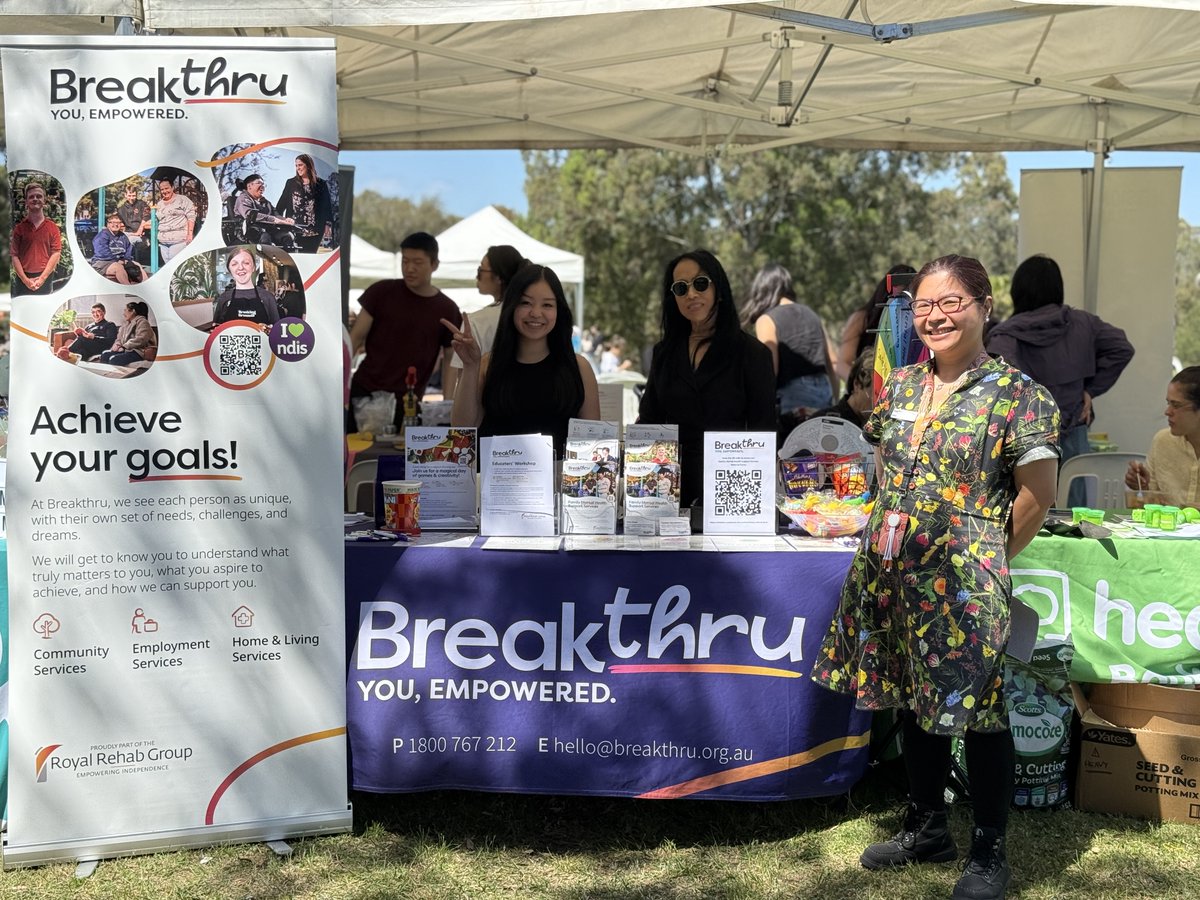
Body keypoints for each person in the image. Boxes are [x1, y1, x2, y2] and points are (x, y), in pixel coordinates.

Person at [811, 255, 1059, 900]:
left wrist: (982, 557)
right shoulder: (902, 387)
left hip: (963, 581)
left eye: (951, 303)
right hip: (891, 572)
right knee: (911, 693)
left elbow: (1037, 494)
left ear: (983, 306)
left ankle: (988, 849)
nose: (936, 316)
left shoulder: (1019, 395)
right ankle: (926, 828)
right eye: (923, 306)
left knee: (978, 711)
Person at [986, 254, 1134, 506]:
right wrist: (1090, 390)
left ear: (1017, 291)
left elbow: (994, 382)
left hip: (1024, 439)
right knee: (1074, 518)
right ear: (1058, 289)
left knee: (1025, 521)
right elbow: (1122, 348)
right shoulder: (1084, 324)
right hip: (1073, 432)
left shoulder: (1005, 336)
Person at [637, 249, 776, 508]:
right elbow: (649, 420)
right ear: (673, 298)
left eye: (700, 283)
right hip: (669, 493)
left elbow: (764, 432)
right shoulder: (663, 353)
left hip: (733, 489)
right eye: (680, 288)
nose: (691, 294)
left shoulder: (752, 354)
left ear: (718, 289)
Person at [445, 264, 600, 455]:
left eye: (547, 305)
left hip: (558, 483)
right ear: (511, 306)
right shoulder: (487, 365)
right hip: (497, 482)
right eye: (526, 303)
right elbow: (462, 429)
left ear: (559, 311)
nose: (536, 313)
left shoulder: (579, 368)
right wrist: (470, 367)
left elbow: (592, 443)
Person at [349, 232, 463, 429]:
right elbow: (355, 338)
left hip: (409, 404)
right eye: (405, 261)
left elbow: (451, 357)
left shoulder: (447, 309)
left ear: (434, 264)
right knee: (358, 457)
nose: (409, 268)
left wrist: (447, 404)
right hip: (365, 395)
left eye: (418, 262)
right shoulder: (381, 292)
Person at [741, 262, 837, 412]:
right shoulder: (812, 315)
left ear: (763, 289)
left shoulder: (766, 320)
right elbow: (833, 362)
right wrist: (835, 401)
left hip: (794, 398)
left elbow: (769, 370)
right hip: (824, 391)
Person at [1125, 366, 1200, 510]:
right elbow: (1146, 507)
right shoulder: (1163, 441)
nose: (1167, 412)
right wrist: (1141, 487)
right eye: (1168, 403)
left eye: (1176, 405)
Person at [449, 245, 528, 380]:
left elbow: (463, 380)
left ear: (498, 277)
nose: (477, 276)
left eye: (480, 270)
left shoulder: (475, 322)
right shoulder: (534, 317)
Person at [836, 264, 917, 381]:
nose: (901, 301)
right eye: (896, 296)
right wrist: (865, 386)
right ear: (886, 293)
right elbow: (842, 364)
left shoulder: (918, 318)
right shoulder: (862, 318)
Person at [10, 181, 63, 297]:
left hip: (46, 279)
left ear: (44, 201)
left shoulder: (52, 228)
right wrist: (25, 280)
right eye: (31, 197)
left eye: (39, 196)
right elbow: (14, 255)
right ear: (26, 202)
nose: (35, 199)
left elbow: (56, 253)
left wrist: (42, 278)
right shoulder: (19, 229)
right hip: (22, 280)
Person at [275, 153, 332, 253]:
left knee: (310, 256)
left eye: (300, 165)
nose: (298, 168)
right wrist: (277, 221)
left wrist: (328, 224)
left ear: (308, 165)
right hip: (294, 229)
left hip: (315, 230)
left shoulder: (321, 184)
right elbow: (281, 205)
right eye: (296, 165)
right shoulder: (291, 183)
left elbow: (326, 205)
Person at [213, 246, 282, 327]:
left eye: (246, 263)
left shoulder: (268, 297)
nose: (240, 267)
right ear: (230, 270)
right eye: (234, 264)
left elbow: (277, 332)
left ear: (253, 268)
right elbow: (216, 331)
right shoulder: (224, 298)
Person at [90, 212, 144, 285]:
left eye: (118, 222)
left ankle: (146, 286)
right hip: (102, 262)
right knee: (118, 267)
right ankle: (128, 289)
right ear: (108, 224)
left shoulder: (123, 236)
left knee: (137, 265)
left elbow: (128, 249)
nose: (115, 224)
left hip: (119, 261)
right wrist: (116, 260)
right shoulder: (102, 236)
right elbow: (102, 252)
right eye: (112, 222)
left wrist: (126, 259)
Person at [99, 300, 158, 367]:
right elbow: (119, 338)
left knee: (114, 359)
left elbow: (141, 339)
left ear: (133, 311)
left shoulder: (143, 322)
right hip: (127, 350)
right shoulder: (126, 324)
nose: (123, 313)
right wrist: (117, 345)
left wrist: (124, 346)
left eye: (125, 310)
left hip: (139, 351)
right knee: (105, 354)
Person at [154, 177, 196, 263]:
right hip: (163, 244)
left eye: (166, 188)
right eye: (162, 189)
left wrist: (190, 234)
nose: (164, 191)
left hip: (179, 242)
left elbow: (191, 216)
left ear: (172, 187)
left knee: (176, 268)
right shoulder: (159, 204)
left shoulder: (182, 199)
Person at [116, 185, 152, 265]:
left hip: (142, 236)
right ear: (125, 195)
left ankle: (127, 263)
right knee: (115, 240)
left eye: (133, 195)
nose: (131, 198)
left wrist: (139, 231)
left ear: (136, 194)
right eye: (129, 195)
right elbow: (118, 221)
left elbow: (147, 217)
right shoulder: (121, 209)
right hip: (128, 233)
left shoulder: (142, 204)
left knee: (129, 240)